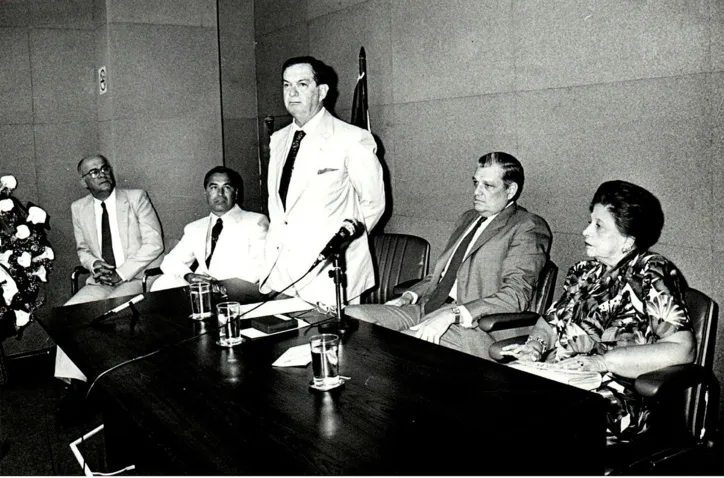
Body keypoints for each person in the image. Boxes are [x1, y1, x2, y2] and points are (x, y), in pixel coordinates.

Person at [500, 180, 695, 445]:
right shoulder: (584, 271)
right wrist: (534, 346)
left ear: (628, 240)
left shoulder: (652, 271)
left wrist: (603, 362)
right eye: (590, 222)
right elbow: (549, 323)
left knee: (524, 425)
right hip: (563, 379)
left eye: (599, 226)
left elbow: (682, 349)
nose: (585, 231)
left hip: (617, 395)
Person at [346, 152, 552, 360]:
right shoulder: (468, 218)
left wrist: (454, 314)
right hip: (429, 306)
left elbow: (515, 296)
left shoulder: (526, 226)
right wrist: (409, 296)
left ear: (511, 190)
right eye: (475, 183)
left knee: (400, 346)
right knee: (351, 318)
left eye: (488, 186)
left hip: (476, 326)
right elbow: (444, 274)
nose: (477, 192)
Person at [259, 56, 385, 308]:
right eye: (286, 85)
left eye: (302, 84)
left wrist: (339, 244)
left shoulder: (352, 138)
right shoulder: (279, 139)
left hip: (329, 273)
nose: (292, 93)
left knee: (331, 347)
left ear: (322, 91)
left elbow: (374, 204)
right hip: (281, 273)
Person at [56, 154, 164, 397]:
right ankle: (74, 386)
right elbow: (82, 248)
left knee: (114, 313)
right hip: (101, 281)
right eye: (93, 172)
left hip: (137, 278)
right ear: (83, 182)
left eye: (104, 168)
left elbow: (154, 244)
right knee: (69, 315)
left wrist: (122, 273)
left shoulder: (136, 198)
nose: (102, 173)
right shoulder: (78, 208)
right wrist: (95, 265)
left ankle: (118, 385)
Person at [151, 166, 269, 291]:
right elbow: (170, 261)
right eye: (214, 187)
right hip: (204, 292)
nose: (220, 194)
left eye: (227, 187)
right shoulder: (194, 228)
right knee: (164, 282)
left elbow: (259, 267)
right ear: (206, 192)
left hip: (238, 291)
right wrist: (189, 276)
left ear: (236, 192)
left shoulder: (255, 221)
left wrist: (221, 287)